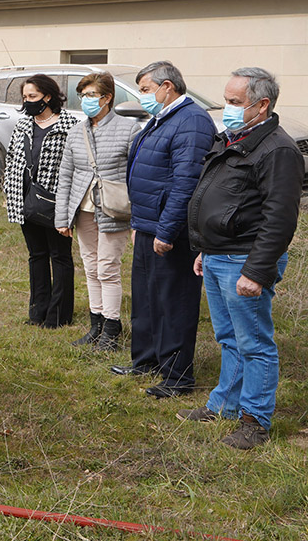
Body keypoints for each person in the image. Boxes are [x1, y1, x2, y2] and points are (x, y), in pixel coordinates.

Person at [181, 67, 302, 448]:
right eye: (227, 99)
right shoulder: (232, 138)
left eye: (235, 102)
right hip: (218, 256)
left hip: (244, 261)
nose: (227, 108)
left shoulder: (278, 150)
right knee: (228, 338)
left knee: (254, 344)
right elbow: (215, 196)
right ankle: (224, 405)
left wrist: (257, 270)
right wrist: (204, 247)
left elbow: (280, 218)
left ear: (262, 104)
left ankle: (255, 420)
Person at [111, 61, 216, 398]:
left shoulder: (192, 122)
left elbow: (186, 183)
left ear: (166, 86)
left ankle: (176, 376)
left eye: (145, 90)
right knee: (145, 298)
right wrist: (139, 223)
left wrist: (167, 231)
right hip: (147, 224)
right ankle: (146, 360)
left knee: (174, 301)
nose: (142, 97)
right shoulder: (162, 118)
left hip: (170, 230)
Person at [55, 72, 140, 350]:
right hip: (83, 209)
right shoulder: (75, 131)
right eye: (83, 96)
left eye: (92, 95)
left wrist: (137, 219)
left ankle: (112, 328)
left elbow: (136, 176)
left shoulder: (129, 129)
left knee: (107, 268)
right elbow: (65, 175)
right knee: (90, 267)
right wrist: (62, 216)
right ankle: (96, 325)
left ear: (107, 98)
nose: (87, 101)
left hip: (114, 209)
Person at [4, 74, 78, 328]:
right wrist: (10, 191)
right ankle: (37, 312)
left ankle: (59, 315)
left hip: (56, 201)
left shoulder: (69, 124)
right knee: (36, 255)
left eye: (32, 96)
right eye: (25, 97)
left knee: (59, 256)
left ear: (47, 96)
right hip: (25, 200)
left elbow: (75, 166)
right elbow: (12, 158)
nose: (28, 102)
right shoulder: (23, 124)